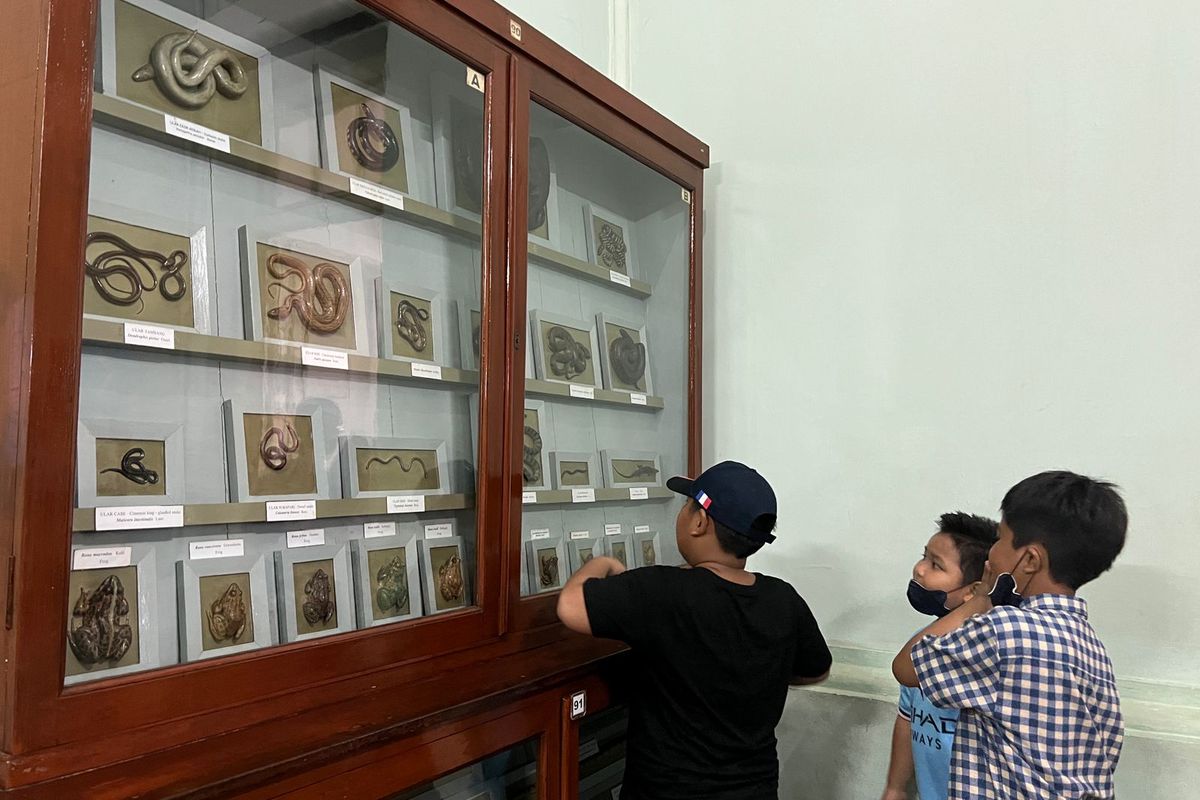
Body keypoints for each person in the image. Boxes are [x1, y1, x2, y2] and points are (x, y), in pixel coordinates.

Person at [556, 460, 832, 800]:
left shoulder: (664, 591)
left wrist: (601, 564)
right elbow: (817, 670)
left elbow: (570, 606)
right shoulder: (783, 598)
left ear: (700, 521)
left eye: (687, 506)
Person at [892, 471, 1127, 799]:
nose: (992, 554)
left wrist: (979, 601)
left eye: (1001, 539)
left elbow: (906, 667)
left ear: (1029, 560)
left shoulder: (1003, 631)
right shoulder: (1090, 646)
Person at [881, 512, 998, 800]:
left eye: (936, 565)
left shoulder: (984, 649)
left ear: (974, 590)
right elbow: (907, 718)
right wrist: (895, 788)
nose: (919, 570)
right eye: (924, 557)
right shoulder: (923, 641)